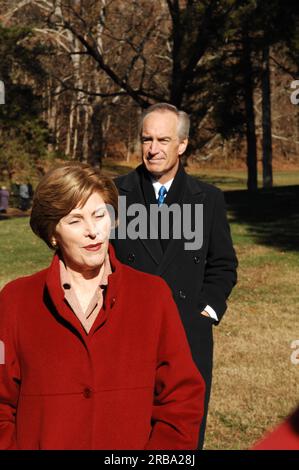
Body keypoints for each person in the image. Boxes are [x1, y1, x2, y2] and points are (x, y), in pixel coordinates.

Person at [0, 162, 205, 450]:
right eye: (75, 220)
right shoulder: (15, 300)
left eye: (99, 215)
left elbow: (181, 397)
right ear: (52, 234)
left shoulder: (152, 295)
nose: (92, 231)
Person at [111, 103, 238, 448]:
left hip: (187, 336)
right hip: (125, 337)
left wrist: (206, 313)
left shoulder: (208, 199)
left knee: (182, 434)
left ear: (182, 145)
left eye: (163, 140)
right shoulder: (113, 193)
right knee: (127, 437)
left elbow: (223, 264)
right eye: (146, 139)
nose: (153, 149)